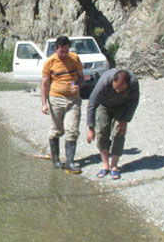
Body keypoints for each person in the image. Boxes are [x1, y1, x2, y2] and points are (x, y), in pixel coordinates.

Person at [41, 35, 85, 174]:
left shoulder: (75, 58)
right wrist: (44, 103)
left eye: (66, 51)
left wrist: (78, 85)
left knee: (72, 130)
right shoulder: (50, 62)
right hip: (56, 99)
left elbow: (82, 77)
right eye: (62, 51)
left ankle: (70, 162)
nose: (64, 54)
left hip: (73, 100)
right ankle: (55, 160)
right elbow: (44, 84)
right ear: (56, 49)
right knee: (56, 130)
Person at [86, 69, 139, 180]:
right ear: (112, 82)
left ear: (127, 84)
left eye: (121, 88)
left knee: (118, 133)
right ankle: (105, 165)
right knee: (101, 133)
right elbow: (91, 104)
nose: (118, 90)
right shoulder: (104, 81)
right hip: (103, 106)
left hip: (121, 107)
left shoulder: (133, 82)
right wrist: (91, 127)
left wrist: (125, 120)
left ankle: (114, 166)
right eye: (116, 88)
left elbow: (134, 102)